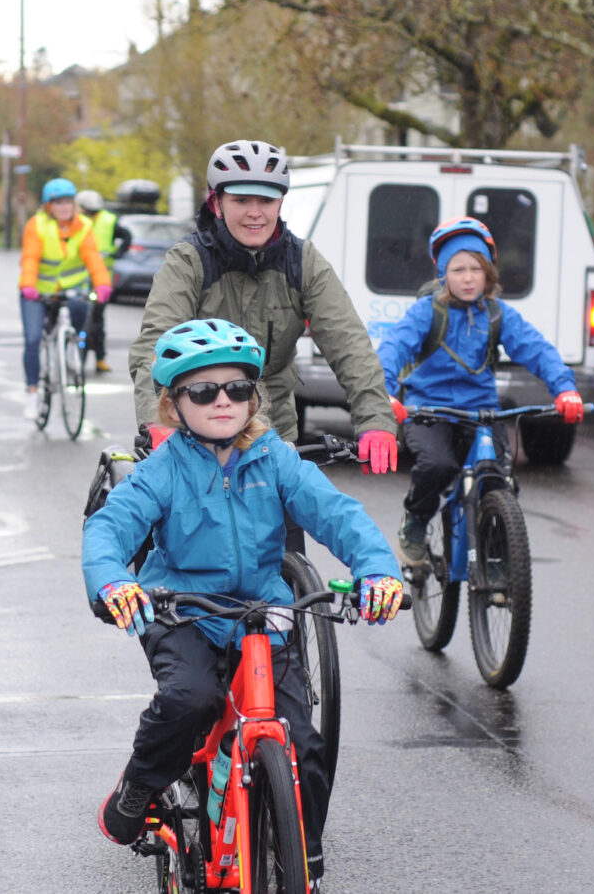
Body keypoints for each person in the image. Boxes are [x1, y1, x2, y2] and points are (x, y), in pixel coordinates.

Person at [82, 317, 403, 891]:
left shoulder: (274, 459)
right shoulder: (163, 470)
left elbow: (336, 514)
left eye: (237, 389)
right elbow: (111, 529)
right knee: (191, 697)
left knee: (303, 743)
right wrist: (112, 583)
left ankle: (303, 850)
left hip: (264, 615)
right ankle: (140, 782)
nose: (223, 401)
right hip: (184, 610)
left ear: (256, 397)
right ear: (174, 403)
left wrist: (376, 568)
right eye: (204, 391)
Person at [128, 140, 397, 476]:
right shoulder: (188, 261)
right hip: (196, 433)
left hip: (274, 436)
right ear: (217, 203)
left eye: (266, 200)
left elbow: (349, 343)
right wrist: (159, 423)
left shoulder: (303, 262)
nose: (255, 212)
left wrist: (375, 419)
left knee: (287, 525)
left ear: (281, 202)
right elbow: (154, 346)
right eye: (241, 200)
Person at [377, 217, 584, 566]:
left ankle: (496, 548)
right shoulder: (426, 311)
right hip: (429, 410)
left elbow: (538, 350)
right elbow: (392, 350)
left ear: (488, 273)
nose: (469, 277)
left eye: (477, 268)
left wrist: (565, 390)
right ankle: (415, 520)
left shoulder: (497, 314)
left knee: (498, 477)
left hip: (482, 410)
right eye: (458, 269)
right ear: (443, 274)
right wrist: (385, 394)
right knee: (437, 464)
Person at [19, 178, 112, 420]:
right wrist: (29, 285)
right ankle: (32, 394)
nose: (64, 207)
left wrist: (103, 283)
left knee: (81, 307)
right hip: (37, 291)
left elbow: (93, 257)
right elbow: (30, 257)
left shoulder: (83, 226)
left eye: (68, 202)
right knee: (32, 340)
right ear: (48, 206)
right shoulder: (37, 225)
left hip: (72, 290)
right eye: (58, 203)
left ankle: (73, 345)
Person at [75, 189, 132, 373]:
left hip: (101, 280)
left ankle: (99, 358)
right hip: (79, 278)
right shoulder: (73, 221)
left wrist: (118, 253)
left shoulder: (109, 220)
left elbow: (127, 236)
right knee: (79, 318)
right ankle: (77, 358)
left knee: (96, 319)